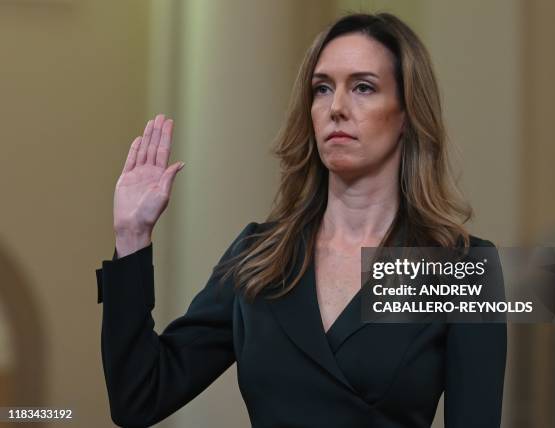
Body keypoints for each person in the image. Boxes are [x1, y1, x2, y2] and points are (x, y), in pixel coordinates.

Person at [96, 12, 506, 428]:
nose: (337, 107)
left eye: (363, 87)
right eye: (322, 88)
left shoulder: (463, 268)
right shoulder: (259, 255)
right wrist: (132, 234)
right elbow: (139, 398)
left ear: (405, 113)